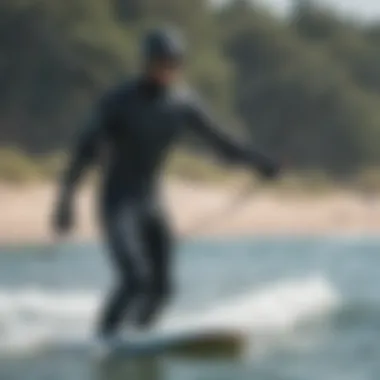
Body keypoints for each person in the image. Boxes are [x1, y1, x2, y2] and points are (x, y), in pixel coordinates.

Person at [53, 27, 280, 344]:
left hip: (151, 204)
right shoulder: (119, 101)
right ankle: (103, 342)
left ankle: (138, 339)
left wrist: (260, 162)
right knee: (134, 279)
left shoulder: (183, 103)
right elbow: (84, 150)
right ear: (145, 62)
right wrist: (65, 201)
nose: (167, 68)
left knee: (162, 289)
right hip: (118, 203)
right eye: (161, 62)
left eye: (174, 63)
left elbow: (222, 143)